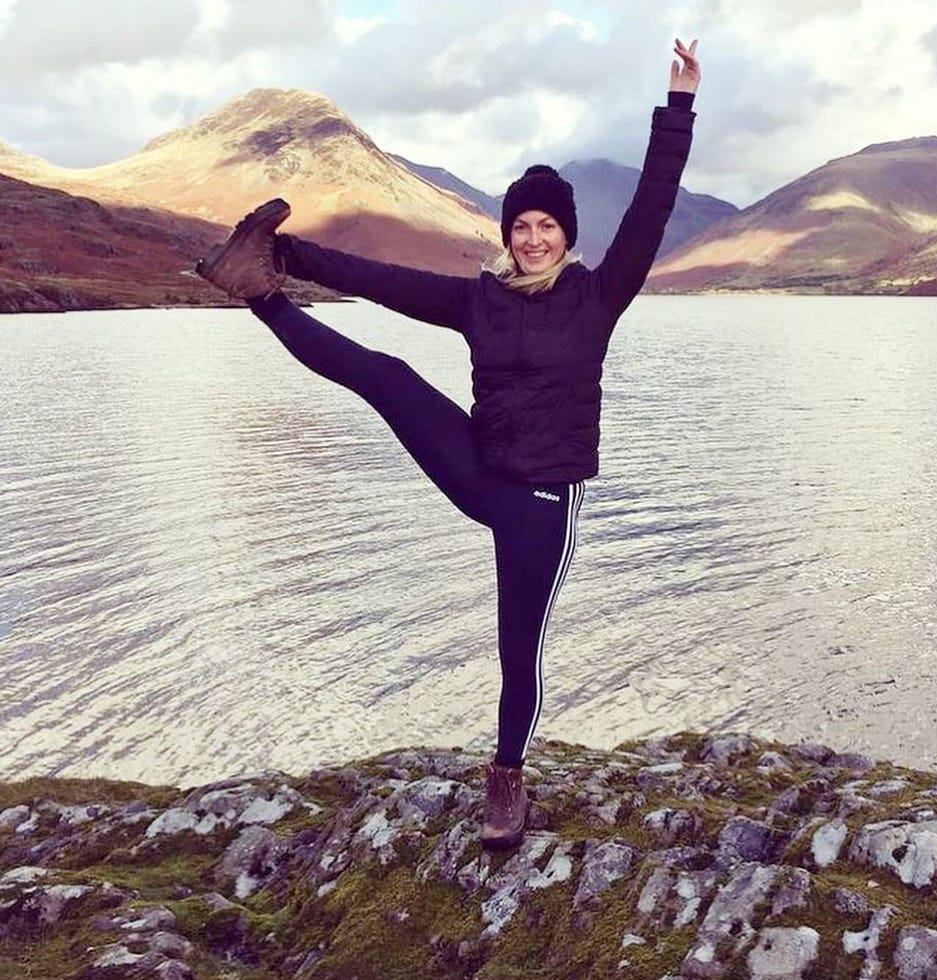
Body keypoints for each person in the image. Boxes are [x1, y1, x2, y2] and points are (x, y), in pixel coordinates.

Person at [196, 38, 700, 850]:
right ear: (509, 232)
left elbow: (651, 207)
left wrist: (677, 107)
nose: (533, 238)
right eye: (522, 225)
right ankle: (257, 291)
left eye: (547, 226)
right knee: (389, 375)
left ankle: (506, 779)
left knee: (517, 645)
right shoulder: (482, 300)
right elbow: (383, 284)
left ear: (567, 236)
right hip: (480, 470)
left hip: (543, 506)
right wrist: (286, 254)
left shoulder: (600, 296)